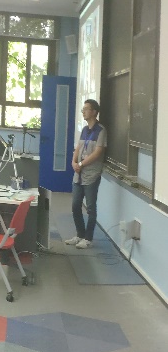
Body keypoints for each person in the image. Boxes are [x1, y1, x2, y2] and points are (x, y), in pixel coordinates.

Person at [67, 99, 106, 249]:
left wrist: (81, 164)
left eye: (86, 109)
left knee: (90, 208)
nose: (83, 111)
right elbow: (78, 148)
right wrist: (73, 162)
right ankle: (79, 234)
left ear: (94, 112)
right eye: (82, 109)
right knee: (75, 205)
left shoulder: (101, 131)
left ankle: (88, 238)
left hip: (91, 175)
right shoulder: (84, 129)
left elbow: (98, 152)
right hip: (79, 174)